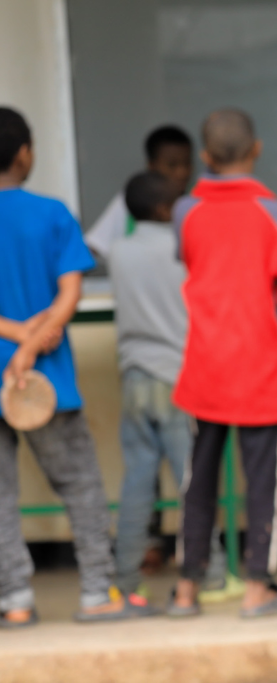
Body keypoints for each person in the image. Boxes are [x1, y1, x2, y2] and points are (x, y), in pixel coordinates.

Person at [0, 107, 155, 626]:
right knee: (81, 485)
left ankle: (15, 601)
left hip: (11, 371)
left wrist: (15, 338)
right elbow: (70, 291)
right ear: (25, 153)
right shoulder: (51, 214)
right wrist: (33, 338)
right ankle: (95, 594)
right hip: (46, 382)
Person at [168, 108, 277, 618]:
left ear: (205, 157)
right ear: (256, 151)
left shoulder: (184, 213)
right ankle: (257, 586)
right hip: (262, 370)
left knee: (199, 480)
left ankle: (186, 590)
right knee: (264, 482)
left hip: (204, 368)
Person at [108, 171, 231, 599]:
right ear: (166, 210)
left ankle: (124, 583)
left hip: (134, 378)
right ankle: (211, 574)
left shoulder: (118, 251)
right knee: (191, 483)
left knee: (136, 482)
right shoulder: (184, 248)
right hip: (179, 377)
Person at [85, 125, 193, 259]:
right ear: (151, 166)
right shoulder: (130, 200)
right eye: (172, 165)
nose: (182, 172)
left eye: (187, 163)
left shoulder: (197, 201)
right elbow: (94, 246)